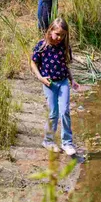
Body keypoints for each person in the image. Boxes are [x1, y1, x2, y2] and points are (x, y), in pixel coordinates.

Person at [29, 18, 79, 156]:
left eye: (62, 35)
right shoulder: (42, 45)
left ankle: (67, 143)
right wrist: (40, 78)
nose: (59, 38)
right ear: (50, 30)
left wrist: (72, 80)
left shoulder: (65, 46)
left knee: (65, 111)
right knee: (53, 113)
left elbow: (65, 65)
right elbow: (33, 63)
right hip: (49, 83)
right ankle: (48, 141)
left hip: (63, 82)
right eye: (57, 34)